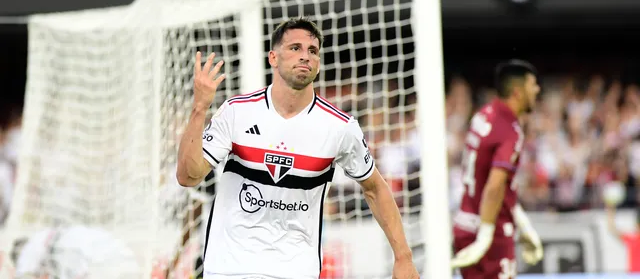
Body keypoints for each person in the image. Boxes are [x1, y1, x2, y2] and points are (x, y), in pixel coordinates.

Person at [176, 17, 419, 279]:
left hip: (294, 271)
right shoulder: (237, 112)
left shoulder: (340, 127)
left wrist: (403, 257)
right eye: (295, 48)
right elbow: (188, 176)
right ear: (273, 58)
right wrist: (199, 108)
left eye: (312, 51)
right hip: (229, 269)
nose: (305, 56)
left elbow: (375, 188)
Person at [451, 59, 544, 278]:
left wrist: (523, 223)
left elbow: (491, 180)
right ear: (517, 92)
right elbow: (495, 185)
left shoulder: (484, 114)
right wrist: (486, 236)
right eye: (533, 85)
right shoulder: (510, 129)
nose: (537, 90)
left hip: (465, 223)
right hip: (491, 230)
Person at [12, 225, 141, 279]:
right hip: (85, 238)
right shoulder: (41, 235)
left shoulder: (26, 253)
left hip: (65, 251)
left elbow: (25, 274)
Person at [606, 202, 640, 273]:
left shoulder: (632, 238)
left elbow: (612, 228)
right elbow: (612, 228)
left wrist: (611, 211)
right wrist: (611, 211)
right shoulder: (632, 238)